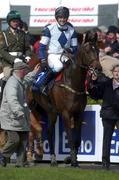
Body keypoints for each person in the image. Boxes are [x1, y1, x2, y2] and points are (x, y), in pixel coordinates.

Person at [0, 61, 40, 167]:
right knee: (15, 139)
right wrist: (19, 111)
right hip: (11, 117)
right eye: (25, 70)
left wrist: (34, 72)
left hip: (19, 117)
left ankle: (20, 163)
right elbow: (12, 99)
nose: (26, 72)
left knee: (23, 140)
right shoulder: (12, 83)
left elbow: (27, 80)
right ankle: (2, 156)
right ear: (21, 71)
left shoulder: (20, 81)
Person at [34, 6, 78, 94]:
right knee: (58, 66)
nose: (62, 19)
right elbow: (41, 47)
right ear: (56, 18)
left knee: (74, 68)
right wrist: (42, 60)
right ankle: (43, 83)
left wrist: (69, 50)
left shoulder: (72, 31)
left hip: (66, 55)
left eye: (64, 17)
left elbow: (75, 48)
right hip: (53, 55)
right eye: (60, 17)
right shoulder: (49, 29)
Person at [88, 64, 119, 170]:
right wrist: (92, 84)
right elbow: (96, 95)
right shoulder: (106, 84)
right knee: (107, 139)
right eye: (115, 71)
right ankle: (105, 163)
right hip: (108, 114)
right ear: (112, 72)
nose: (117, 73)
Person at [0, 10, 33, 90]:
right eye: (13, 21)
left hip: (22, 60)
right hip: (8, 62)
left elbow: (27, 48)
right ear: (9, 22)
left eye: (17, 21)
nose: (15, 23)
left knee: (31, 75)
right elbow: (2, 51)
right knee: (7, 75)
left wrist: (28, 56)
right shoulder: (3, 34)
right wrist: (14, 60)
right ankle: (2, 95)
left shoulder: (22, 33)